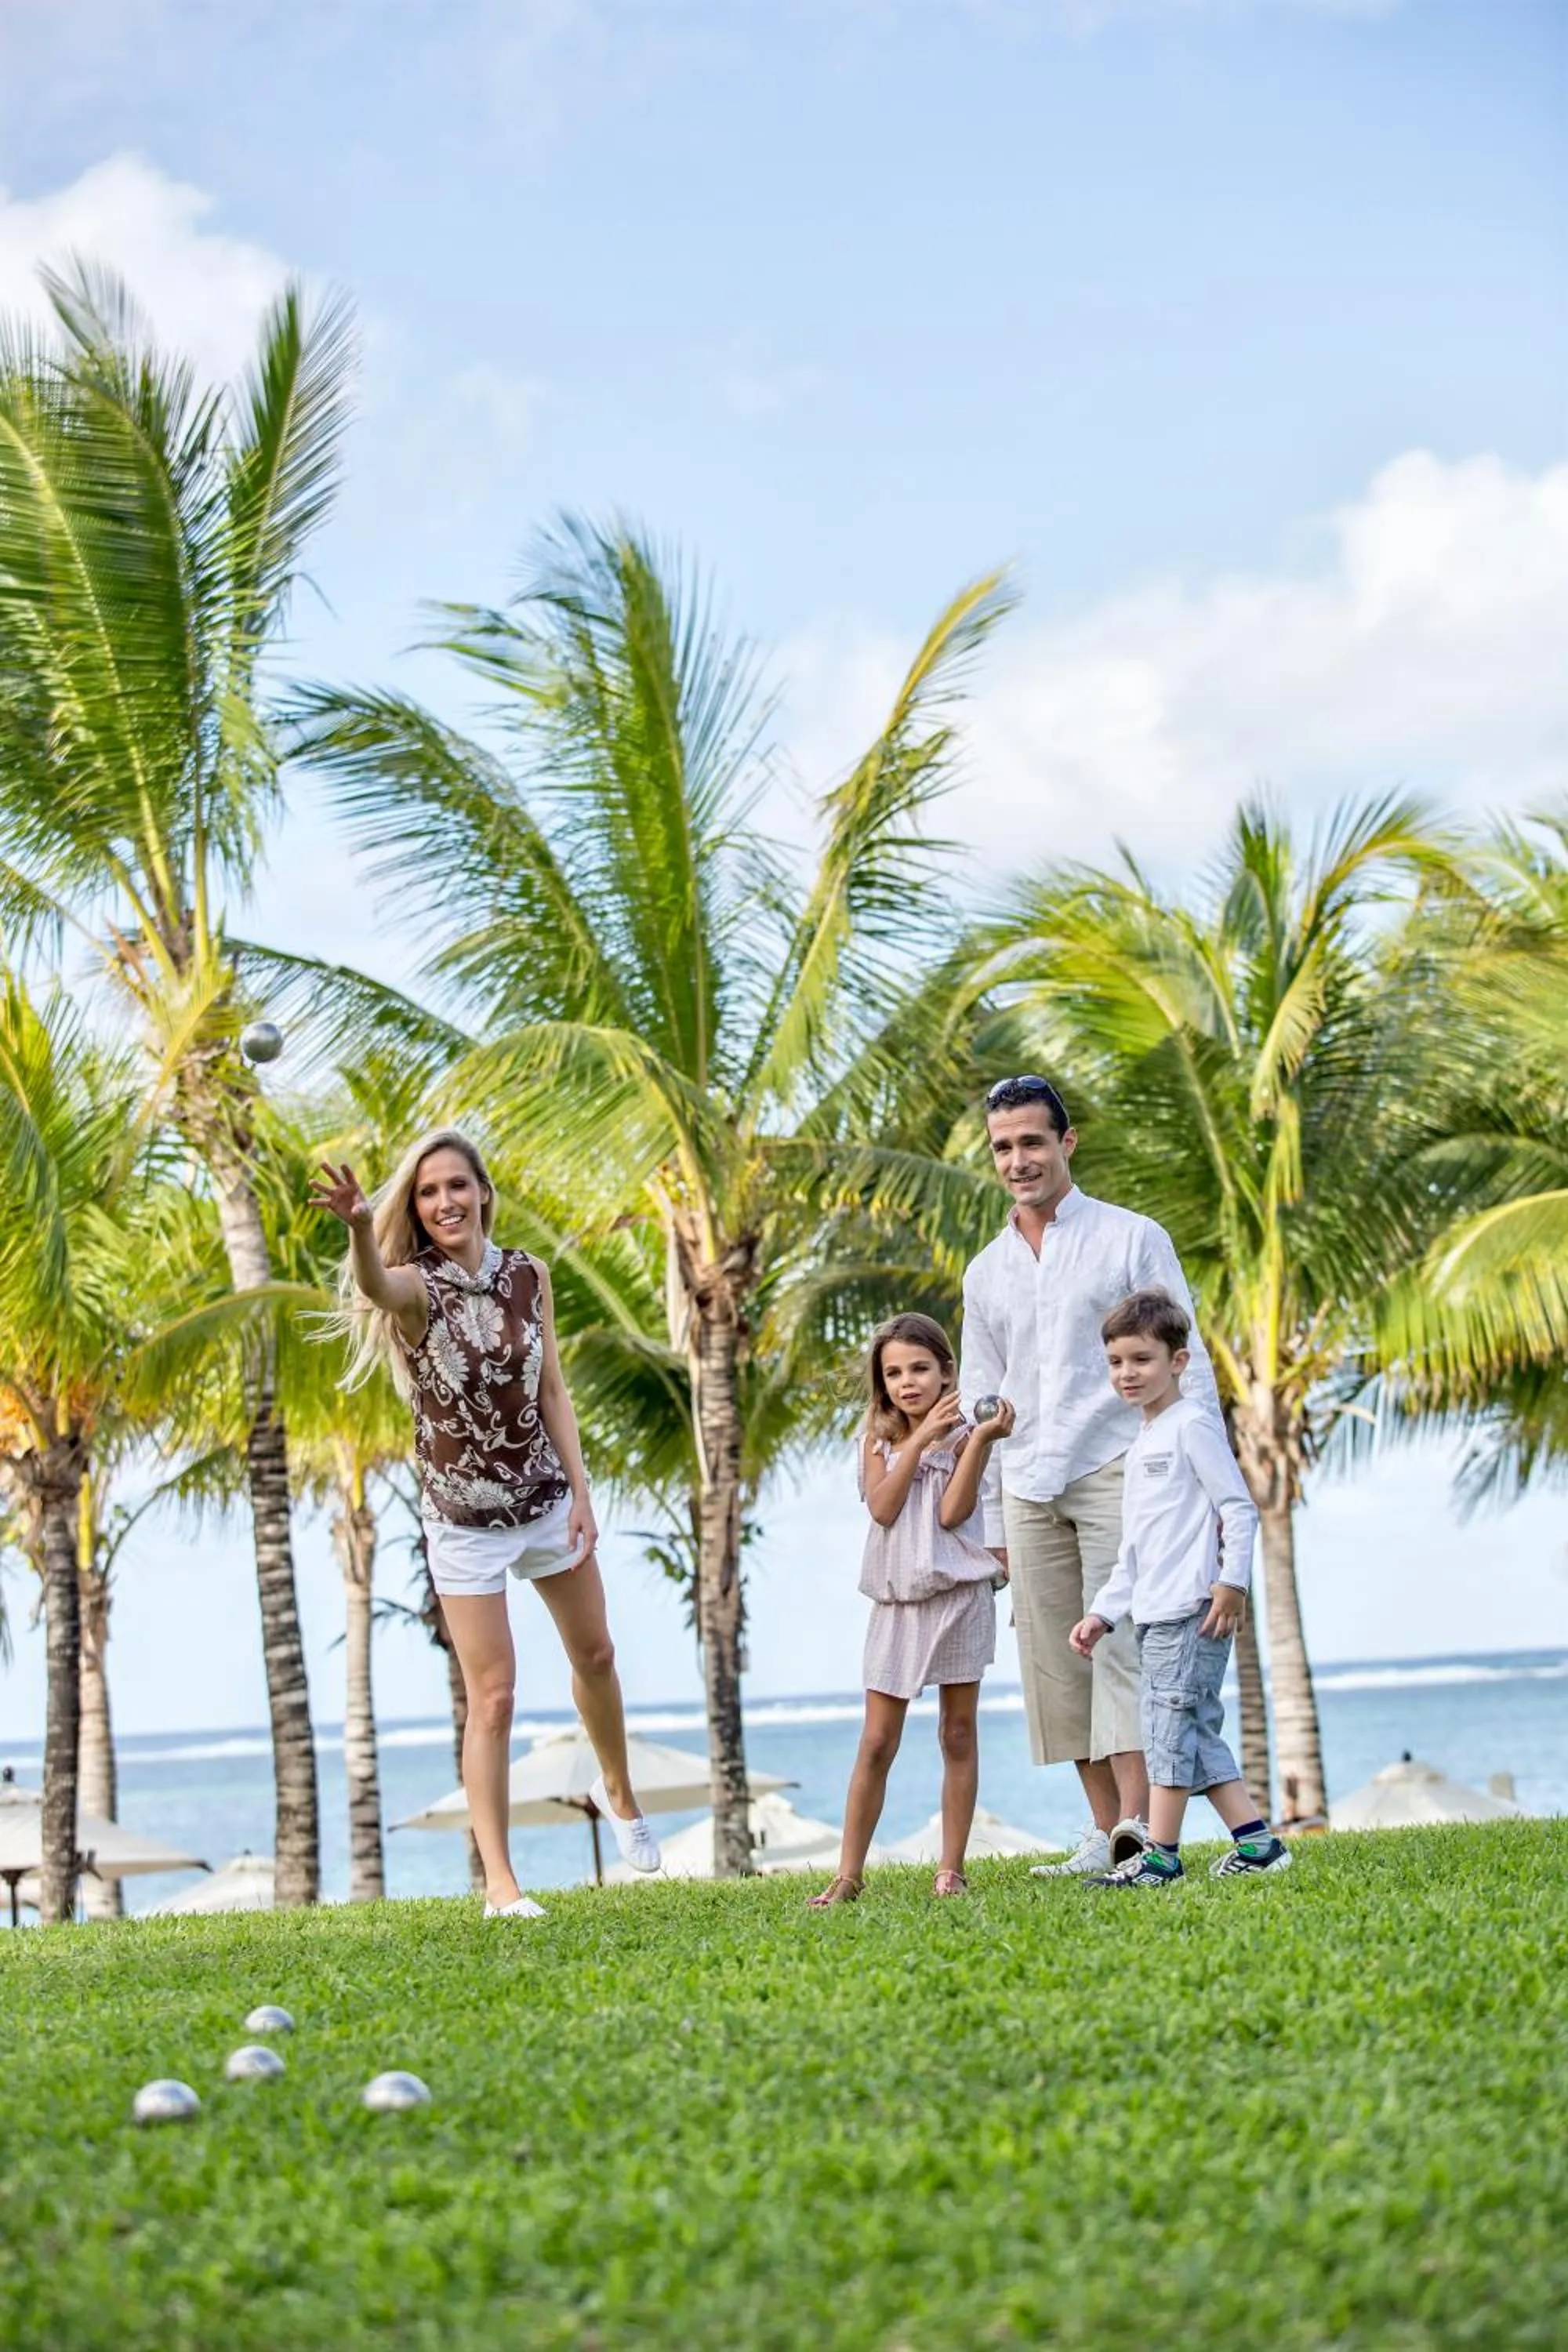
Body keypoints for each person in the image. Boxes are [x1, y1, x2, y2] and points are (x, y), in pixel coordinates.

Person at [311, 1129, 661, 1918]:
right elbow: (371, 1289)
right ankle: (502, 1887)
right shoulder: (413, 1287)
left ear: (482, 1193)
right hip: (463, 1519)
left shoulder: (527, 1276)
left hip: (542, 1499)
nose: (444, 1203)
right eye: (429, 1193)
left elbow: (553, 1393)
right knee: (494, 1698)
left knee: (596, 1653)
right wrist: (361, 1227)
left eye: (456, 1187)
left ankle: (617, 1789)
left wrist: (581, 1490)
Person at [960, 1075, 1225, 1878]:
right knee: (1057, 1663)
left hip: (1120, 1467)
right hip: (1027, 1483)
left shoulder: (1129, 1238)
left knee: (1124, 1654)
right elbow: (982, 1396)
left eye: (1031, 1142)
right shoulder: (984, 1272)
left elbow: (1189, 1362)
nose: (1017, 1159)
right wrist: (994, 1524)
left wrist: (1205, 1488)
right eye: (1003, 1147)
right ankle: (1101, 1831)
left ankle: (1140, 1833)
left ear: (1065, 1143)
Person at [1069, 1288, 1289, 1887]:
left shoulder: (1192, 1424)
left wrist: (1231, 1583)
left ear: (1178, 1362)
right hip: (1154, 1615)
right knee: (1193, 1732)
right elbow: (1134, 1553)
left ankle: (1161, 1858)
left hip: (1195, 1612)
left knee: (1167, 1733)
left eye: (1141, 1359)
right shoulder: (1143, 1441)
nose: (1128, 1373)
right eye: (1116, 1362)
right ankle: (1259, 1846)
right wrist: (1102, 1614)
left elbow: (1238, 1509)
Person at [808, 1313, 1015, 1907]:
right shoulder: (876, 1439)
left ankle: (951, 1869)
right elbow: (882, 1507)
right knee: (876, 1741)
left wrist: (975, 1442)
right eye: (894, 1372)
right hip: (897, 1606)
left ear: (947, 1371)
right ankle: (848, 1874)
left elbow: (952, 1514)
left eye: (920, 1368)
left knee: (957, 1732)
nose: (907, 1382)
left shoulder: (969, 1436)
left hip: (957, 1598)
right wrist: (918, 1441)